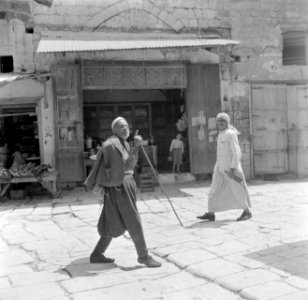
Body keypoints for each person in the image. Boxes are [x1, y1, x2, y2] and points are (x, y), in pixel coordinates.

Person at [84, 117, 161, 268]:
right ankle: (143, 256)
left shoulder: (124, 143)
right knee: (133, 219)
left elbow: (130, 164)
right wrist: (107, 185)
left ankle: (97, 254)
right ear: (114, 130)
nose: (125, 128)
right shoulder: (110, 145)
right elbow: (108, 168)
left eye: (126, 126)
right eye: (120, 126)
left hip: (125, 183)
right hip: (119, 187)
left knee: (112, 220)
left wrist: (136, 146)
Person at [197, 112, 252, 222]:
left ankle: (247, 212)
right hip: (220, 167)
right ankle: (211, 213)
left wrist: (232, 169)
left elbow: (236, 152)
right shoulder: (221, 134)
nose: (220, 123)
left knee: (237, 189)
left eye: (223, 121)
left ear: (227, 122)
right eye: (218, 121)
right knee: (214, 189)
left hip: (230, 169)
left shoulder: (230, 134)